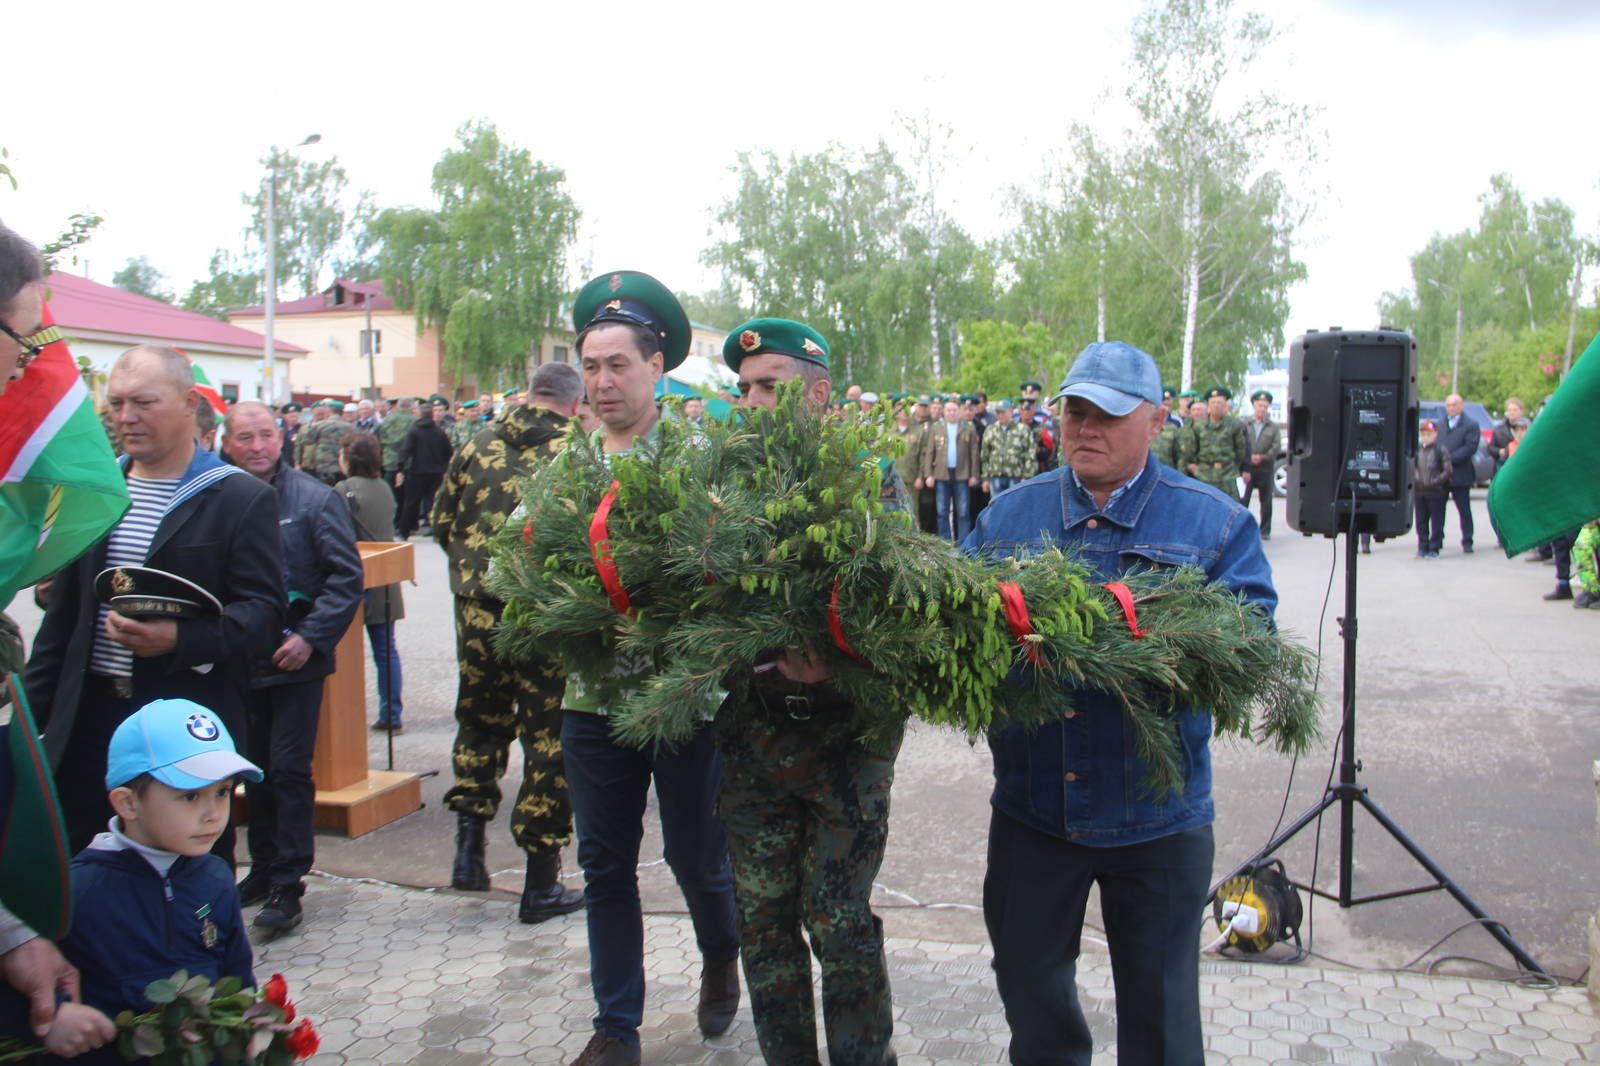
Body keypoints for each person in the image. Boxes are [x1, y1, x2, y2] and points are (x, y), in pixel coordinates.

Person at [963, 340, 1274, 1066]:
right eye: (1075, 410)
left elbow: (1250, 643)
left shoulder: (1216, 524)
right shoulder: (1008, 518)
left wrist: (1117, 630)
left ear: (1158, 419)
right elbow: (953, 628)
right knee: (1029, 991)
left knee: (1161, 1013)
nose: (1085, 428)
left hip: (1157, 815)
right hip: (1034, 809)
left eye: (1106, 413)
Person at [562, 271, 739, 1066]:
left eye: (617, 364)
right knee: (604, 864)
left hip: (684, 702)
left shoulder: (701, 457)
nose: (602, 382)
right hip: (591, 700)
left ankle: (721, 954)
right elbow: (526, 564)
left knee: (696, 857)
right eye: (591, 366)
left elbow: (734, 569)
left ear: (656, 366)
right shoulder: (567, 464)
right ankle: (616, 1026)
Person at [719, 318, 904, 1065]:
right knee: (762, 922)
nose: (752, 402)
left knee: (837, 918)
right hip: (753, 737)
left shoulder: (869, 474)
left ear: (819, 393)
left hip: (844, 742)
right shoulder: (723, 480)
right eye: (743, 389)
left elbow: (884, 598)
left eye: (770, 386)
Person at [26, 346, 284, 856]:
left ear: (189, 403)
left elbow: (265, 615)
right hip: (87, 719)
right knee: (80, 866)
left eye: (144, 402)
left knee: (187, 876)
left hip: (181, 730)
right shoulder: (95, 493)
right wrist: (30, 724)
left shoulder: (238, 498)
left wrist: (180, 639)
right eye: (117, 403)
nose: (126, 417)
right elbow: (63, 624)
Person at [431, 363, 587, 924]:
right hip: (545, 614)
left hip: (477, 610)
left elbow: (441, 523)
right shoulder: (582, 452)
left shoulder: (476, 443)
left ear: (529, 396)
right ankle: (541, 884)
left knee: (479, 719)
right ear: (575, 402)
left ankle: (468, 856)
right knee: (548, 738)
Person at [223, 401, 363, 931]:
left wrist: (310, 638)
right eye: (245, 437)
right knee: (250, 771)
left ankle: (288, 882)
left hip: (295, 663)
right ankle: (259, 868)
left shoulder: (313, 497)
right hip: (237, 659)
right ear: (228, 441)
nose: (256, 447)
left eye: (265, 436)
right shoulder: (218, 496)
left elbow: (344, 578)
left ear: (281, 439)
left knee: (286, 769)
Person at [59, 699, 260, 1064]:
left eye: (223, 791)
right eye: (189, 796)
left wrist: (244, 1028)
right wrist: (55, 1016)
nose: (213, 813)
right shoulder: (77, 892)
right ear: (128, 804)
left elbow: (237, 972)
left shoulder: (215, 877)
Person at [333, 432, 407, 731]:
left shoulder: (342, 490)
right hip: (385, 577)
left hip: (353, 577)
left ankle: (344, 714)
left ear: (348, 459)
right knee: (386, 650)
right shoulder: (385, 489)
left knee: (344, 651)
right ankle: (392, 713)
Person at [921, 399, 979, 540]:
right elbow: (930, 452)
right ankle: (945, 543)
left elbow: (974, 452)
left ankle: (964, 543)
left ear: (959, 411)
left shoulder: (968, 427)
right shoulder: (937, 427)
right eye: (948, 410)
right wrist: (928, 474)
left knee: (963, 512)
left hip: (962, 474)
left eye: (954, 410)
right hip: (941, 474)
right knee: (942, 511)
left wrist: (974, 475)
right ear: (944, 412)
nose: (951, 413)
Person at [395, 398, 452, 538]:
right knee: (434, 502)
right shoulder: (439, 432)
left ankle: (404, 530)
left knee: (411, 502)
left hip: (417, 472)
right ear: (432, 415)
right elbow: (449, 451)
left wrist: (400, 468)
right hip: (436, 473)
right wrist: (443, 467)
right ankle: (434, 529)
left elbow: (405, 451)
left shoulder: (414, 431)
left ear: (419, 415)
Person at [1180, 385, 1248, 503]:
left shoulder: (1234, 425)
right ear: (1208, 406)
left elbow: (1240, 451)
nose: (1216, 406)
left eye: (1219, 403)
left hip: (1227, 477)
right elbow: (1192, 450)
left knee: (1229, 510)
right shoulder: (1199, 426)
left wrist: (1232, 467)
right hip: (1204, 476)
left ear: (1225, 405)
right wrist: (1196, 468)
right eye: (1213, 403)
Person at [1439, 393, 1480, 553]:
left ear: (1461, 406)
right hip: (1442, 476)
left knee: (1464, 509)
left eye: (1454, 404)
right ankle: (1437, 539)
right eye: (1448, 405)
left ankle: (1467, 540)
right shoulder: (1441, 423)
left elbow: (1470, 448)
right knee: (1438, 510)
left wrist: (1448, 459)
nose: (1451, 408)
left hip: (1460, 474)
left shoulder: (1471, 424)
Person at [1241, 389, 1281, 538]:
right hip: (1247, 468)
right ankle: (1242, 530)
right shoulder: (1245, 423)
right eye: (1259, 405)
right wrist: (1247, 458)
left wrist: (1262, 457)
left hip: (1265, 468)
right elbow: (1240, 442)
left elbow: (1276, 447)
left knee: (1266, 501)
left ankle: (1265, 530)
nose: (1262, 408)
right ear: (1254, 406)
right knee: (1243, 499)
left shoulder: (1273, 427)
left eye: (1265, 406)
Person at [980, 398, 1036, 497]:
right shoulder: (990, 430)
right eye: (998, 412)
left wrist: (1027, 477)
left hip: (1016, 478)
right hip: (995, 477)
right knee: (997, 509)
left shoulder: (1022, 429)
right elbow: (985, 456)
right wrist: (985, 479)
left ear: (1010, 411)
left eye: (1003, 412)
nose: (1000, 415)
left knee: (1014, 509)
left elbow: (1029, 454)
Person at [1413, 419, 1452, 558]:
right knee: (1421, 522)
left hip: (1436, 492)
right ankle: (1422, 546)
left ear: (1435, 434)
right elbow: (1412, 468)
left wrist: (1435, 482)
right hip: (1420, 491)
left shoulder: (1440, 449)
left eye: (1429, 434)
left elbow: (1447, 470)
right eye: (1423, 433)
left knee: (1437, 522)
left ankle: (1434, 547)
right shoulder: (1417, 450)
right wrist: (1416, 481)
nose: (1426, 437)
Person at [377, 396, 418, 496]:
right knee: (406, 495)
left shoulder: (387, 419)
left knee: (389, 492)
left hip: (390, 461)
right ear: (410, 407)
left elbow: (380, 439)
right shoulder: (415, 420)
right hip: (408, 462)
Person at [1151, 386, 1184, 470]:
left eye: (1168, 405)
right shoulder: (1148, 421)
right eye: (1164, 405)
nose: (1166, 408)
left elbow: (1180, 451)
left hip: (1168, 468)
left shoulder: (1177, 422)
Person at [1489, 396, 1525, 471]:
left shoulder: (1529, 427)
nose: (1512, 412)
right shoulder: (1499, 429)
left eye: (1515, 410)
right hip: (1504, 467)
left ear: (1521, 411)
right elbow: (1490, 448)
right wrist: (1499, 451)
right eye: (1510, 410)